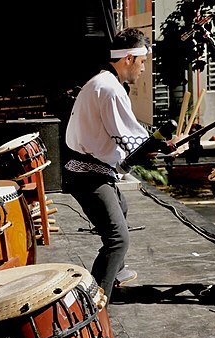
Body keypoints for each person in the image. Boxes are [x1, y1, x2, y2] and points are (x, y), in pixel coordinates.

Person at [64, 27, 159, 305]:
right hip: (87, 174)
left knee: (122, 208)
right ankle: (93, 302)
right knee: (118, 239)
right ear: (129, 58)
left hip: (91, 169)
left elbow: (127, 129)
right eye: (142, 63)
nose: (143, 69)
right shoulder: (110, 89)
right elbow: (131, 139)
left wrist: (155, 142)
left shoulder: (103, 82)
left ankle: (116, 271)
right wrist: (160, 146)